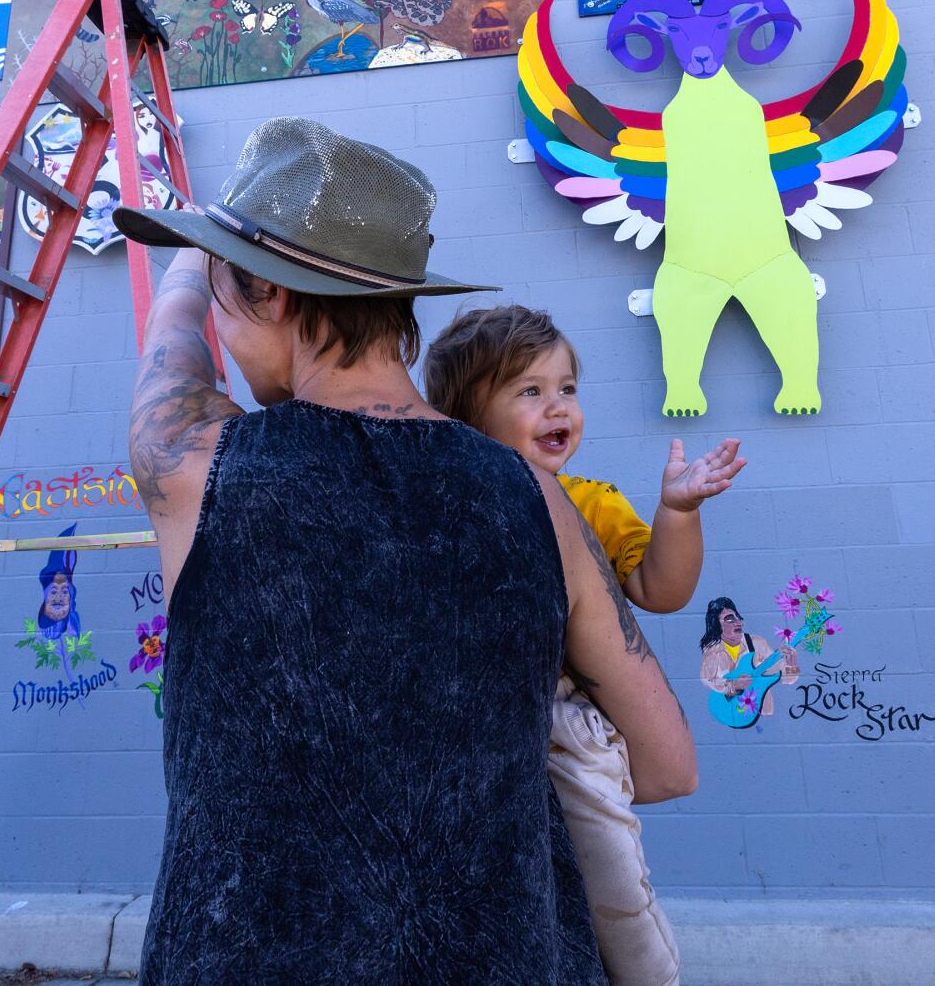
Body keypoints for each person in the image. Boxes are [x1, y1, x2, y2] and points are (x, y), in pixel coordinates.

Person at [116, 117, 695, 984]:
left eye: (242, 292)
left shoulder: (202, 467)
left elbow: (170, 353)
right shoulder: (534, 495)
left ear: (270, 293)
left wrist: (197, 257)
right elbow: (666, 765)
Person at [424, 304, 744, 986]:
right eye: (529, 391)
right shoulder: (442, 506)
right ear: (465, 415)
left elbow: (660, 588)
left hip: (569, 727)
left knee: (612, 885)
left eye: (566, 387)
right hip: (477, 732)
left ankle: (649, 975)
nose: (557, 405)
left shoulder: (590, 501)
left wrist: (679, 511)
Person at [699, 598, 800, 722]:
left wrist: (791, 665)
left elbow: (787, 679)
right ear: (717, 624)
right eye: (730, 619)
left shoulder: (757, 643)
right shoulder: (713, 650)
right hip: (730, 714)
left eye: (738, 617)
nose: (738, 622)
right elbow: (708, 680)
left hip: (761, 714)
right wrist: (733, 685)